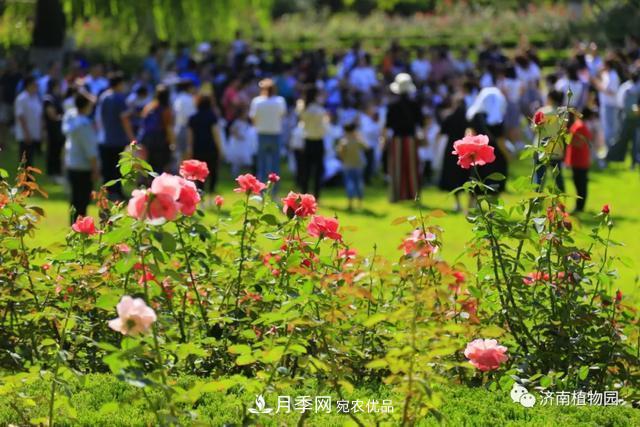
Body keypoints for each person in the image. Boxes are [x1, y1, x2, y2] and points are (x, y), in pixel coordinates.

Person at [466, 85, 510, 193]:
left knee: (476, 183)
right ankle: (493, 209)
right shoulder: (497, 118)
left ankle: (470, 208)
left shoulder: (475, 115)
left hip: (479, 154)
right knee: (494, 186)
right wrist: (508, 155)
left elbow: (469, 134)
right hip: (495, 156)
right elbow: (500, 141)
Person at [62, 92, 99, 222]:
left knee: (74, 199)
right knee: (82, 201)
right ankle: (80, 227)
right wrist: (95, 169)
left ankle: (73, 226)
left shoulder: (71, 117)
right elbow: (90, 150)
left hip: (71, 163)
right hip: (83, 167)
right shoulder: (84, 125)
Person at [98, 72, 134, 200]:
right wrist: (131, 137)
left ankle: (107, 192)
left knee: (107, 168)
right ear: (119, 84)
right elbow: (124, 120)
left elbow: (100, 117)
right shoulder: (119, 98)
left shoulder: (103, 97)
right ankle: (117, 192)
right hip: (117, 139)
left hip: (105, 138)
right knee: (117, 168)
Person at [249, 78, 286, 185]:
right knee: (275, 165)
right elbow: (282, 115)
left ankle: (261, 190)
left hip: (262, 133)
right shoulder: (280, 101)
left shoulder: (257, 101)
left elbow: (253, 117)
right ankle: (274, 191)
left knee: (262, 164)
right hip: (275, 133)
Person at [187, 94, 223, 195]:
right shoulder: (212, 116)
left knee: (199, 173)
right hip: (211, 148)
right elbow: (215, 133)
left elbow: (190, 136)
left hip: (197, 148)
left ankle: (200, 192)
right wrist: (220, 148)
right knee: (212, 171)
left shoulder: (192, 118)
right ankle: (211, 191)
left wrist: (189, 149)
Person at [532, 90, 566, 192]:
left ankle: (536, 198)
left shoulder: (542, 111)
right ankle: (561, 196)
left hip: (541, 147)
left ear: (550, 98)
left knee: (539, 176)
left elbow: (534, 128)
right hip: (556, 148)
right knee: (558, 176)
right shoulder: (562, 113)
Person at [297, 88, 327, 198]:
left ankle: (304, 193)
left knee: (306, 170)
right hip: (318, 141)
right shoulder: (319, 109)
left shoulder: (303, 108)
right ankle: (316, 195)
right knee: (317, 171)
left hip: (307, 141)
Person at [139, 85, 174, 174]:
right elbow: (168, 127)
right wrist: (172, 142)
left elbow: (142, 122)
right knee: (160, 166)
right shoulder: (166, 109)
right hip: (160, 140)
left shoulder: (149, 106)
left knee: (150, 166)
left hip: (147, 140)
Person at [565, 109, 594, 212]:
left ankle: (580, 207)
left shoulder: (580, 126)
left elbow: (580, 143)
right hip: (578, 160)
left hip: (580, 161)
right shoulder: (579, 125)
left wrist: (567, 138)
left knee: (580, 185)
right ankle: (579, 206)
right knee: (578, 184)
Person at [337, 122, 368, 210]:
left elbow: (340, 154)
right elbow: (367, 147)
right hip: (358, 165)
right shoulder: (357, 141)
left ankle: (350, 204)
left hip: (347, 165)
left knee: (349, 184)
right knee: (359, 184)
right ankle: (359, 204)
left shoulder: (344, 142)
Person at [14, 75, 43, 168]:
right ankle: (23, 181)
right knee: (24, 161)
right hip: (25, 135)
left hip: (34, 133)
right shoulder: (22, 98)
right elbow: (20, 116)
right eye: (35, 84)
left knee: (30, 160)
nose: (37, 86)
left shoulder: (35, 97)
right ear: (28, 85)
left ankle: (29, 181)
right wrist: (26, 133)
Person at [592, 58, 621, 149]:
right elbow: (598, 74)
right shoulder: (606, 74)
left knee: (611, 129)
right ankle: (609, 148)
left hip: (611, 105)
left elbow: (612, 91)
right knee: (606, 127)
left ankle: (611, 149)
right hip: (605, 104)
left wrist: (599, 86)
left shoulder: (613, 76)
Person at [43, 79, 65, 183]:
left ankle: (57, 172)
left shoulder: (57, 98)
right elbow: (52, 115)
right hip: (52, 129)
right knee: (53, 151)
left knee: (57, 151)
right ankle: (52, 173)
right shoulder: (49, 99)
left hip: (58, 130)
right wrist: (62, 118)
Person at [226, 106, 256, 177]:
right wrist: (238, 136)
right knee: (236, 159)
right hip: (238, 143)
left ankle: (243, 174)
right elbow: (232, 130)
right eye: (245, 113)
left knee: (243, 158)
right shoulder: (237, 122)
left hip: (244, 143)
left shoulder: (246, 123)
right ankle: (234, 173)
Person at [173, 79, 196, 163]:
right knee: (187, 153)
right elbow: (191, 115)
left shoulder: (177, 98)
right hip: (187, 129)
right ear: (189, 88)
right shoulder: (190, 99)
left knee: (179, 153)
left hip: (177, 128)